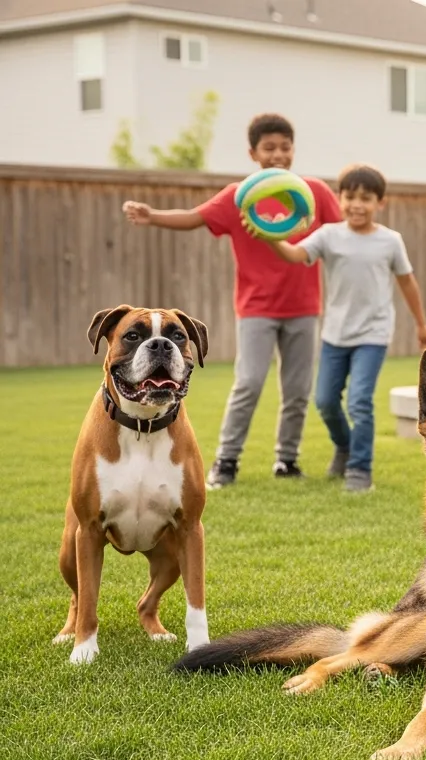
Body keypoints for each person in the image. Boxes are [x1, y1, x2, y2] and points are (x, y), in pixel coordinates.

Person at [122, 113, 342, 489]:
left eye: (285, 147)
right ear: (253, 152)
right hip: (256, 308)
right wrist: (152, 215)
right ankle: (226, 461)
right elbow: (194, 217)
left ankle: (286, 460)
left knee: (297, 390)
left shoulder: (314, 194)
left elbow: (342, 236)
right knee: (249, 382)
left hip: (304, 308)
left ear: (293, 150)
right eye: (269, 148)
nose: (278, 155)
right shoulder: (239, 197)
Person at [268, 163, 426, 493]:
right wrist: (271, 235)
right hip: (335, 334)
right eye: (350, 197)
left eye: (366, 198)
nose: (357, 204)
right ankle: (344, 447)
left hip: (372, 334)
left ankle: (360, 470)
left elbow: (408, 283)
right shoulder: (329, 235)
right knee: (326, 402)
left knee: (359, 401)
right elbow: (292, 253)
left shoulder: (390, 241)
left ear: (380, 203)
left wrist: (422, 325)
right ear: (339, 198)